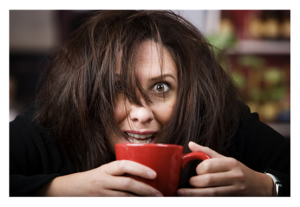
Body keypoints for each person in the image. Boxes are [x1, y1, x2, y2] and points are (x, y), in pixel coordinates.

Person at [9, 10, 290, 196]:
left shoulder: (219, 119)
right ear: (88, 92)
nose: (141, 114)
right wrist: (57, 191)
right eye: (118, 87)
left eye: (160, 87)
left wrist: (268, 187)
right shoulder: (54, 122)